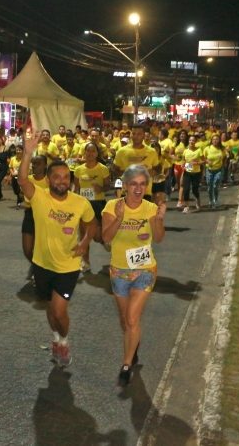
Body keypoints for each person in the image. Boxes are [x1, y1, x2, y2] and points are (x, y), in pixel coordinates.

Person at [18, 138, 96, 367]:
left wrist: (84, 242)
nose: (61, 181)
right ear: (49, 179)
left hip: (68, 266)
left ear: (70, 180)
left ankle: (64, 340)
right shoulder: (39, 197)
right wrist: (28, 153)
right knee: (50, 308)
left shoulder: (80, 203)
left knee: (60, 311)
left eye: (65, 177)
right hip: (41, 264)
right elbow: (22, 179)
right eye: (56, 177)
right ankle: (55, 339)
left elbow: (92, 225)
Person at [101, 165, 166, 386]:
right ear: (126, 185)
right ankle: (133, 344)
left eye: (142, 184)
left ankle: (127, 364)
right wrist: (119, 218)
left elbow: (158, 239)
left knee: (131, 318)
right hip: (119, 271)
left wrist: (158, 219)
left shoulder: (150, 208)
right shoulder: (112, 206)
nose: (138, 188)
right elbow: (106, 238)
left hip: (145, 270)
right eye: (133, 184)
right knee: (125, 320)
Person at [73, 142, 111, 273]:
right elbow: (76, 188)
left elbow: (108, 186)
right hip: (84, 204)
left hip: (98, 203)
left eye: (93, 151)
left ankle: (103, 240)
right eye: (87, 151)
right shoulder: (78, 170)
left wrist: (101, 188)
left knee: (96, 236)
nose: (90, 154)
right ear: (84, 153)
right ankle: (85, 261)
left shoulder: (102, 168)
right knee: (84, 235)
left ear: (97, 153)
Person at [181, 134, 205, 213]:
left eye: (193, 140)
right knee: (186, 189)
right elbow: (183, 160)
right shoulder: (185, 150)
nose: (191, 142)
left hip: (196, 173)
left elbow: (203, 161)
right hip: (187, 172)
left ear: (195, 142)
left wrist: (197, 162)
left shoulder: (199, 150)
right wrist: (183, 165)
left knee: (195, 189)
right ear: (188, 141)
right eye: (190, 140)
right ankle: (187, 206)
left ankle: (198, 201)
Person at [203, 135, 228, 209]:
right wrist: (207, 161)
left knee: (215, 185)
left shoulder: (222, 149)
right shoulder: (207, 149)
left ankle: (215, 200)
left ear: (219, 141)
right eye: (213, 139)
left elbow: (225, 157)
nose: (215, 141)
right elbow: (203, 158)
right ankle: (210, 200)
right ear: (211, 140)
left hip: (219, 169)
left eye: (217, 139)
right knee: (210, 186)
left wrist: (224, 164)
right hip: (209, 170)